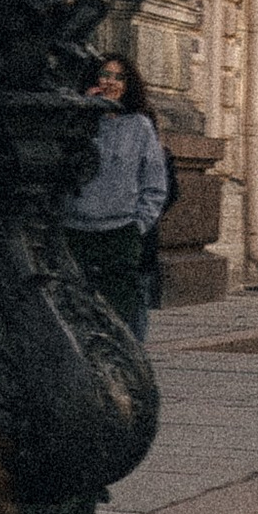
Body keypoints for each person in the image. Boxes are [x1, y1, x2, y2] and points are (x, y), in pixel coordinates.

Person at [64, 54, 169, 338]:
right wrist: (84, 110)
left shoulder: (139, 126)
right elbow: (63, 162)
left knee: (122, 316)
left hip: (120, 234)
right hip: (75, 230)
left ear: (128, 85)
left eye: (118, 77)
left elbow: (155, 184)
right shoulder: (79, 121)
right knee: (75, 312)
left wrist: (138, 225)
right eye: (105, 74)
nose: (110, 82)